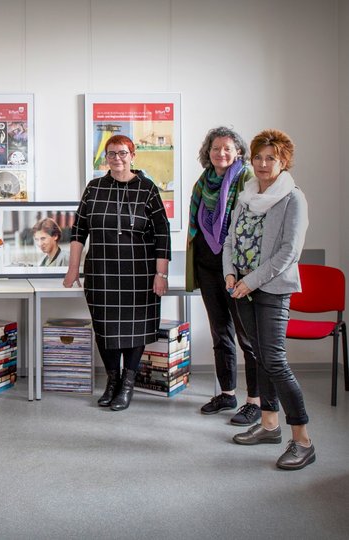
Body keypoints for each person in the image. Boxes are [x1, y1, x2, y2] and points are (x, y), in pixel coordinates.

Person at [223, 129, 314, 470]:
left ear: (283, 162)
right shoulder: (246, 194)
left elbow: (289, 252)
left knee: (275, 361)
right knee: (259, 358)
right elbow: (230, 239)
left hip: (271, 289)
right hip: (241, 288)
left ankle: (303, 441)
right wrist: (230, 273)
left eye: (270, 158)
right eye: (258, 157)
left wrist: (249, 282)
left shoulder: (293, 198)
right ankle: (269, 425)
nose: (262, 164)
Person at [63, 135, 170, 411]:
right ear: (106, 158)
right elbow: (79, 231)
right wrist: (73, 269)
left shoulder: (147, 188)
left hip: (139, 272)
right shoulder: (94, 188)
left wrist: (161, 274)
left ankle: (127, 384)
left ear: (132, 155)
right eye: (111, 153)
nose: (117, 158)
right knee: (104, 328)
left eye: (122, 153)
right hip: (101, 271)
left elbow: (162, 233)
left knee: (135, 329)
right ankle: (112, 382)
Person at [186, 127, 261, 425]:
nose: (221, 153)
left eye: (228, 148)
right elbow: (196, 226)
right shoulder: (202, 182)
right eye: (216, 148)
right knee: (220, 333)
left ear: (238, 152)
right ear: (208, 152)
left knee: (247, 337)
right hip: (207, 266)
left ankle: (255, 401)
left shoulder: (246, 180)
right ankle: (227, 393)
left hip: (238, 270)